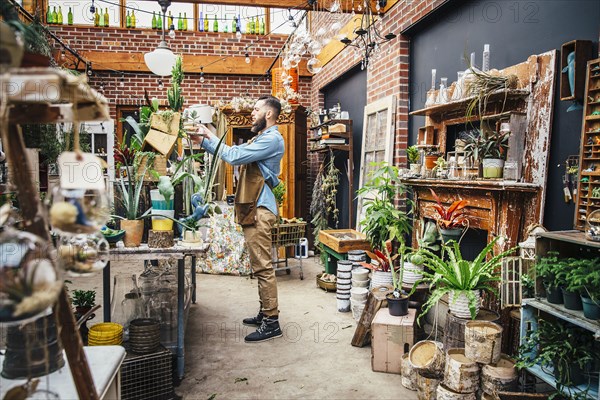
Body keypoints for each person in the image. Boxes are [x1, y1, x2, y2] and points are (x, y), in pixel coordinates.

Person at [196, 95, 285, 343]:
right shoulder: (261, 138)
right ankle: (265, 311)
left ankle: (271, 322)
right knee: (259, 265)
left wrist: (208, 137)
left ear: (269, 113)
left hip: (260, 209)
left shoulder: (272, 138)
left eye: (256, 109)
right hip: (254, 207)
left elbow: (234, 155)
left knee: (263, 267)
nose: (252, 113)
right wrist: (204, 140)